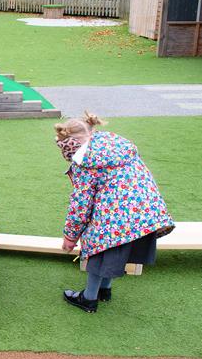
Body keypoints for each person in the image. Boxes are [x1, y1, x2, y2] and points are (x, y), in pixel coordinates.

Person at [56, 112, 174, 313]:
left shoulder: (86, 162)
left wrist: (70, 236)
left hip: (118, 211)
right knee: (115, 243)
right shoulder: (113, 144)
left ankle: (89, 298)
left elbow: (81, 203)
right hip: (145, 209)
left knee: (99, 245)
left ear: (71, 146)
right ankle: (105, 289)